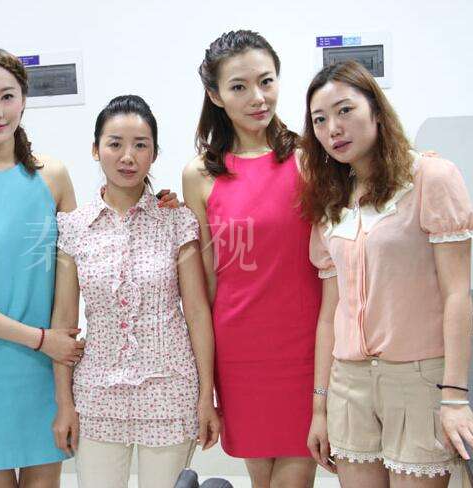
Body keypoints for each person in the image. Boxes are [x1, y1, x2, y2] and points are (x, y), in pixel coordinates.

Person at [0, 48, 180, 488]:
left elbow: (90, 257)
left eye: (7, 96)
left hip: (46, 367)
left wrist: (158, 208)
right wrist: (42, 340)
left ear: (23, 99)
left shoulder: (53, 176)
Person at [302, 60, 473, 487]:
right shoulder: (330, 200)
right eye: (320, 120)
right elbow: (330, 312)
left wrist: (455, 397)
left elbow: (457, 295)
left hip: (418, 378)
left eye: (345, 110)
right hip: (348, 383)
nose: (333, 128)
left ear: (375, 109)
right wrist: (320, 407)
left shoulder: (430, 177)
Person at [51, 95, 220, 488]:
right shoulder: (74, 227)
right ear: (96, 150)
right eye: (115, 144)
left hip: (170, 389)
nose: (127, 156)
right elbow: (64, 320)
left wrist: (205, 397)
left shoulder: (176, 221)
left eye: (140, 145)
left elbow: (197, 313)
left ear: (154, 154)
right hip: (97, 392)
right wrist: (64, 403)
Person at [182, 30, 321, 487]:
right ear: (215, 95)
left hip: (305, 349)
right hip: (240, 353)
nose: (257, 98)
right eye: (239, 87)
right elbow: (207, 282)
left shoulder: (310, 158)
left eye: (266, 81)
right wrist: (206, 385)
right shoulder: (199, 175)